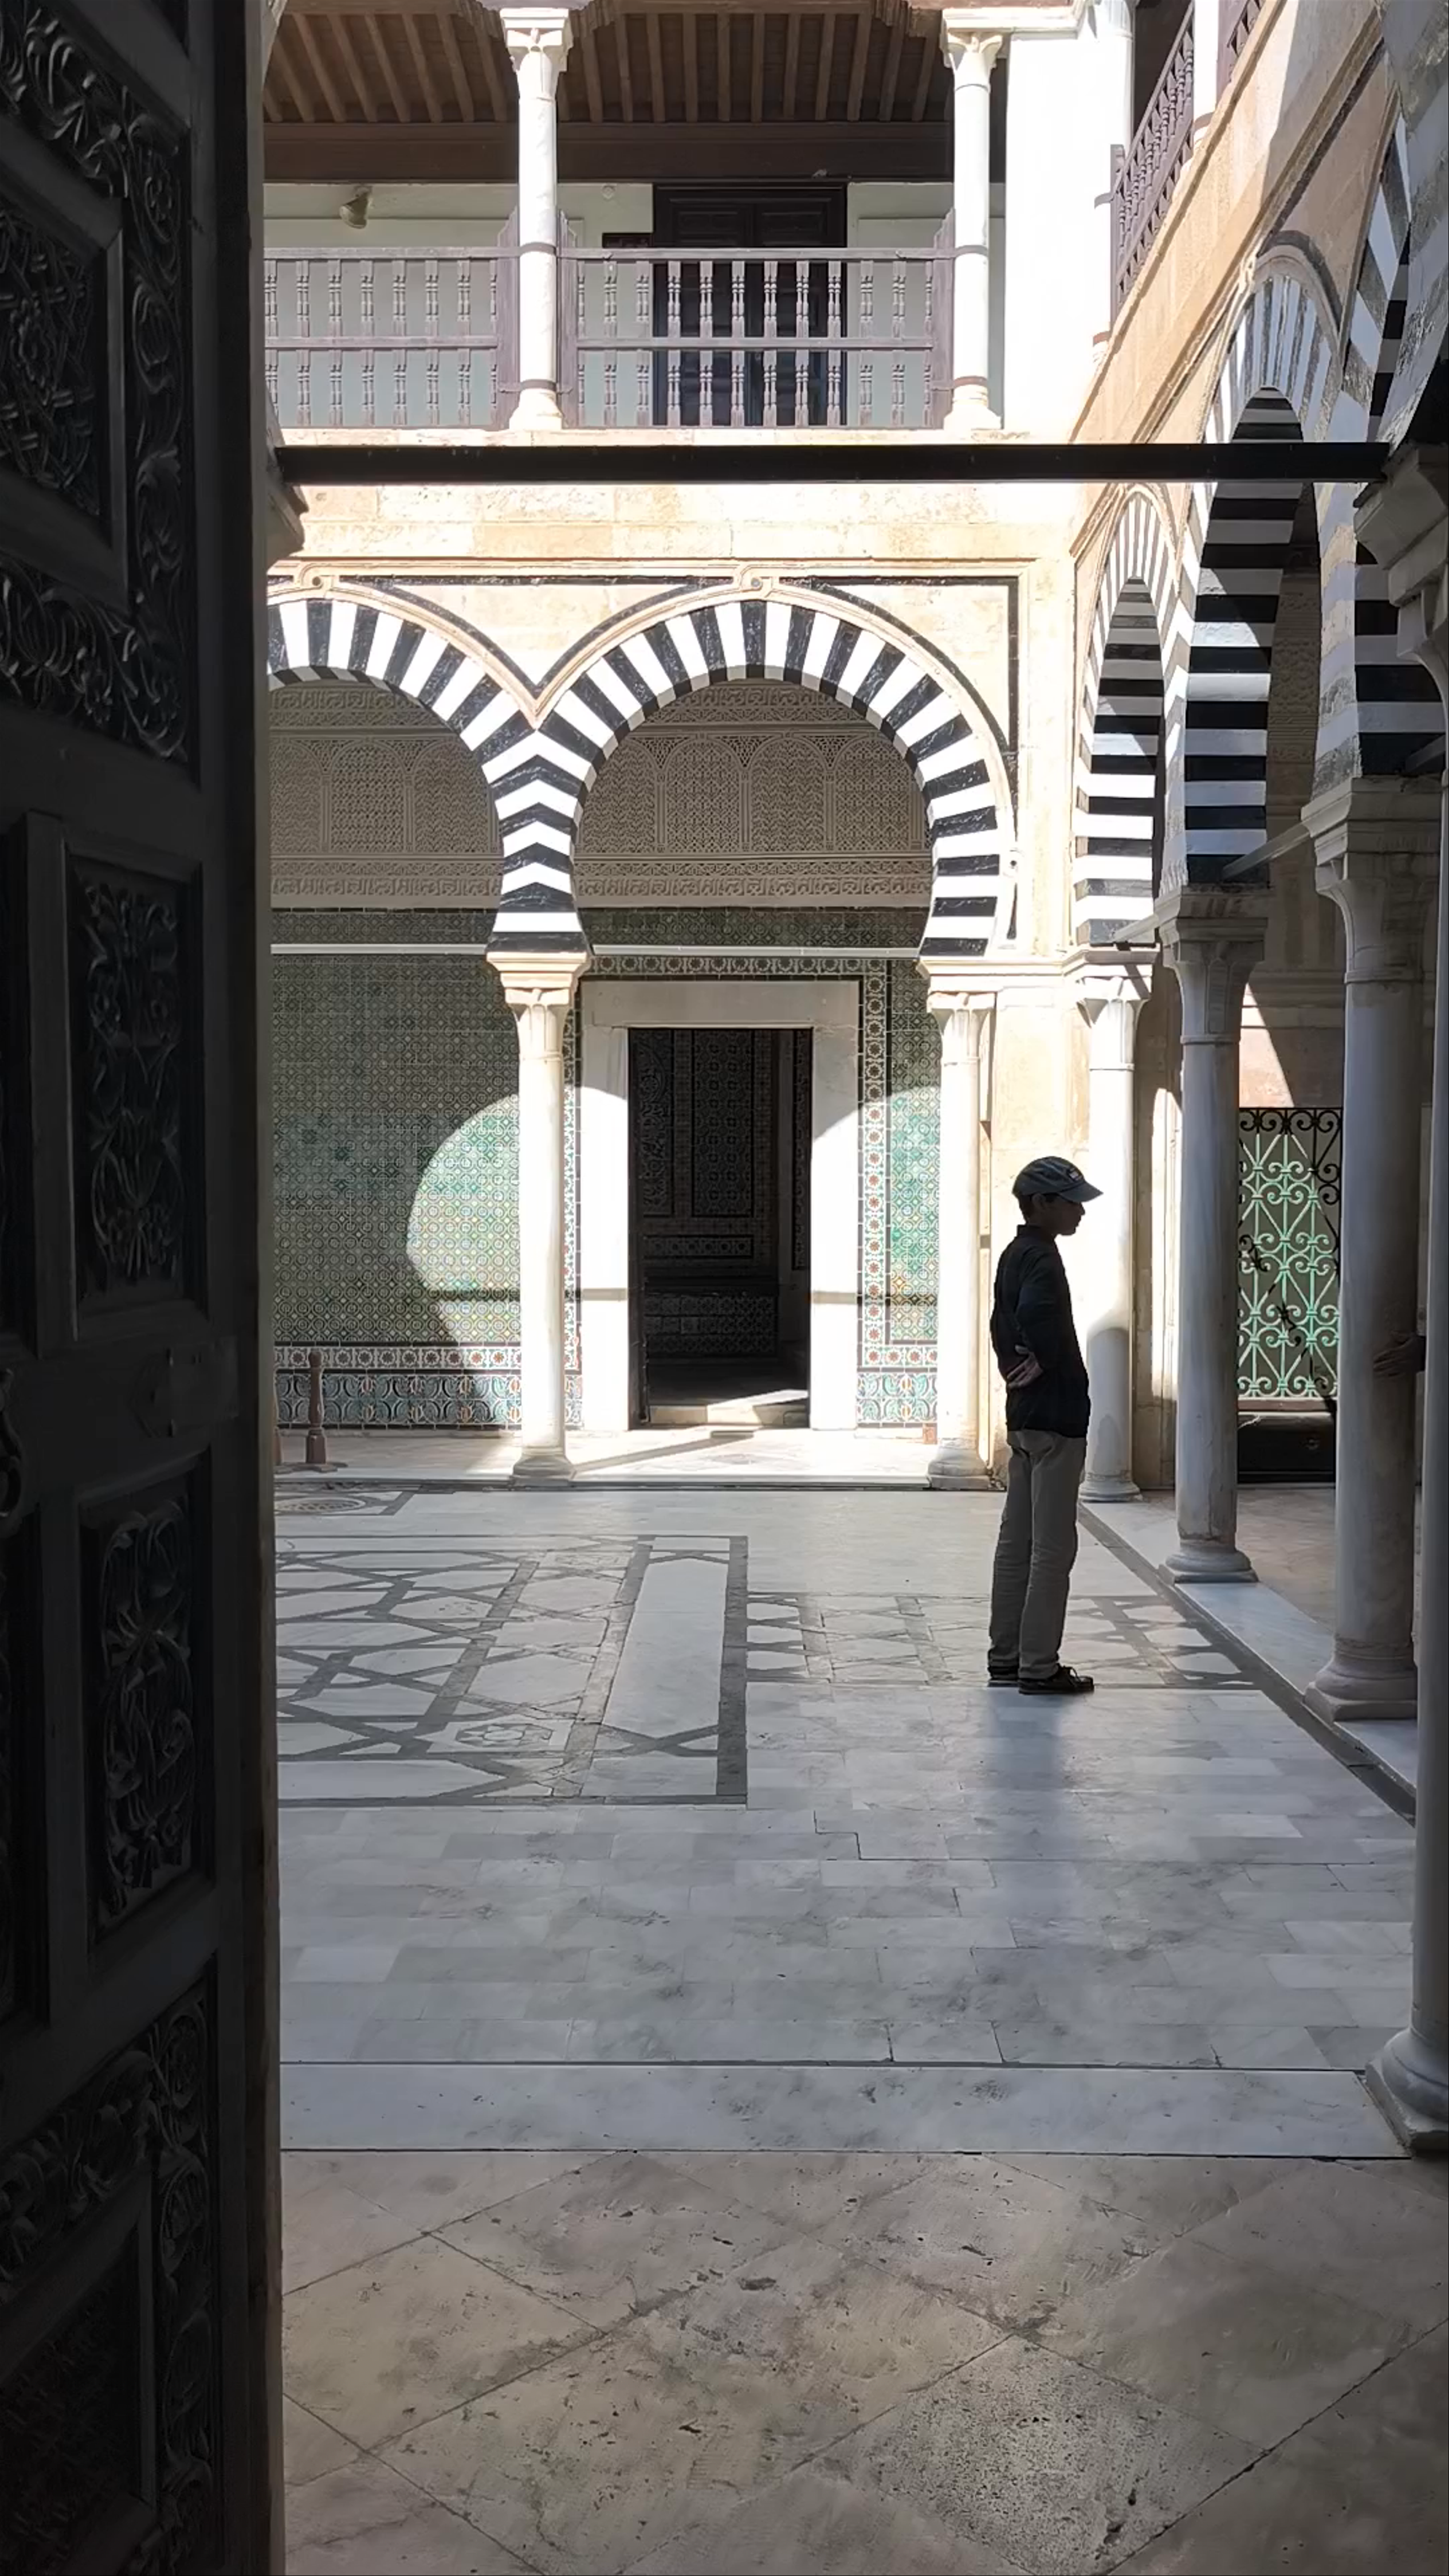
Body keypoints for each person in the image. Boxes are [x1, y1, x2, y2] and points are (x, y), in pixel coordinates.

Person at [987, 1155, 1101, 1695]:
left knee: (1017, 1542)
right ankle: (1038, 1665)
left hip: (1026, 1416)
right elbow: (1034, 1315)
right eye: (1071, 1202)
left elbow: (999, 1322)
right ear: (1041, 1203)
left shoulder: (1015, 1253)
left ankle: (1006, 1657)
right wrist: (1050, 1363)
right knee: (1053, 1548)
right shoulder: (1043, 1257)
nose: (1079, 1211)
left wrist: (1014, 1366)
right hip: (1056, 1418)